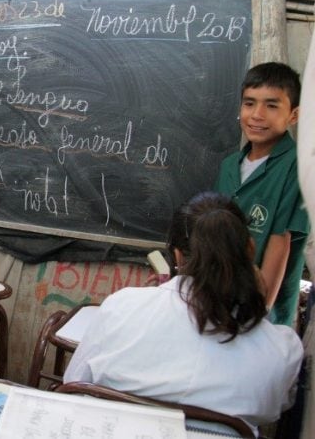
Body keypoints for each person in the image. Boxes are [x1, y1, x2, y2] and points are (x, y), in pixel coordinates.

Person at [64, 192, 303, 435]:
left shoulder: (121, 307)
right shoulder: (280, 349)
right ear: (249, 249)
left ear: (177, 255)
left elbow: (74, 382)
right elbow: (276, 406)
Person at [214, 62, 309, 326]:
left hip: (264, 315)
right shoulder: (230, 166)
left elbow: (281, 242)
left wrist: (258, 311)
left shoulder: (297, 167)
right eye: (249, 103)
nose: (257, 115)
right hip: (223, 302)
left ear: (294, 115)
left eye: (271, 105)